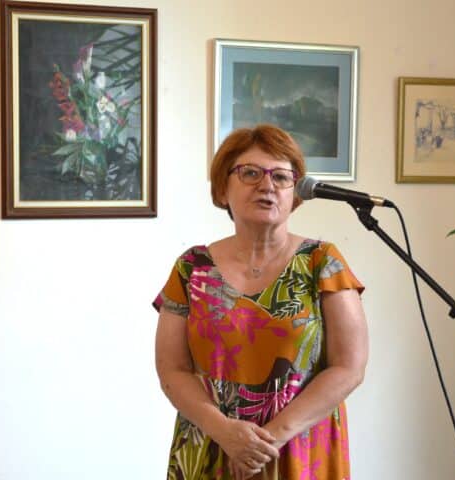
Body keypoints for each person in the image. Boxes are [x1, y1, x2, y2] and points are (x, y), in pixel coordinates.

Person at [153, 124, 368, 480]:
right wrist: (224, 431)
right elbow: (172, 369)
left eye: (281, 176)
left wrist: (270, 438)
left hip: (299, 449)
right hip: (211, 445)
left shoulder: (322, 262)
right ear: (222, 188)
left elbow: (349, 368)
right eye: (250, 173)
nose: (267, 185)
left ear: (295, 193)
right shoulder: (191, 268)